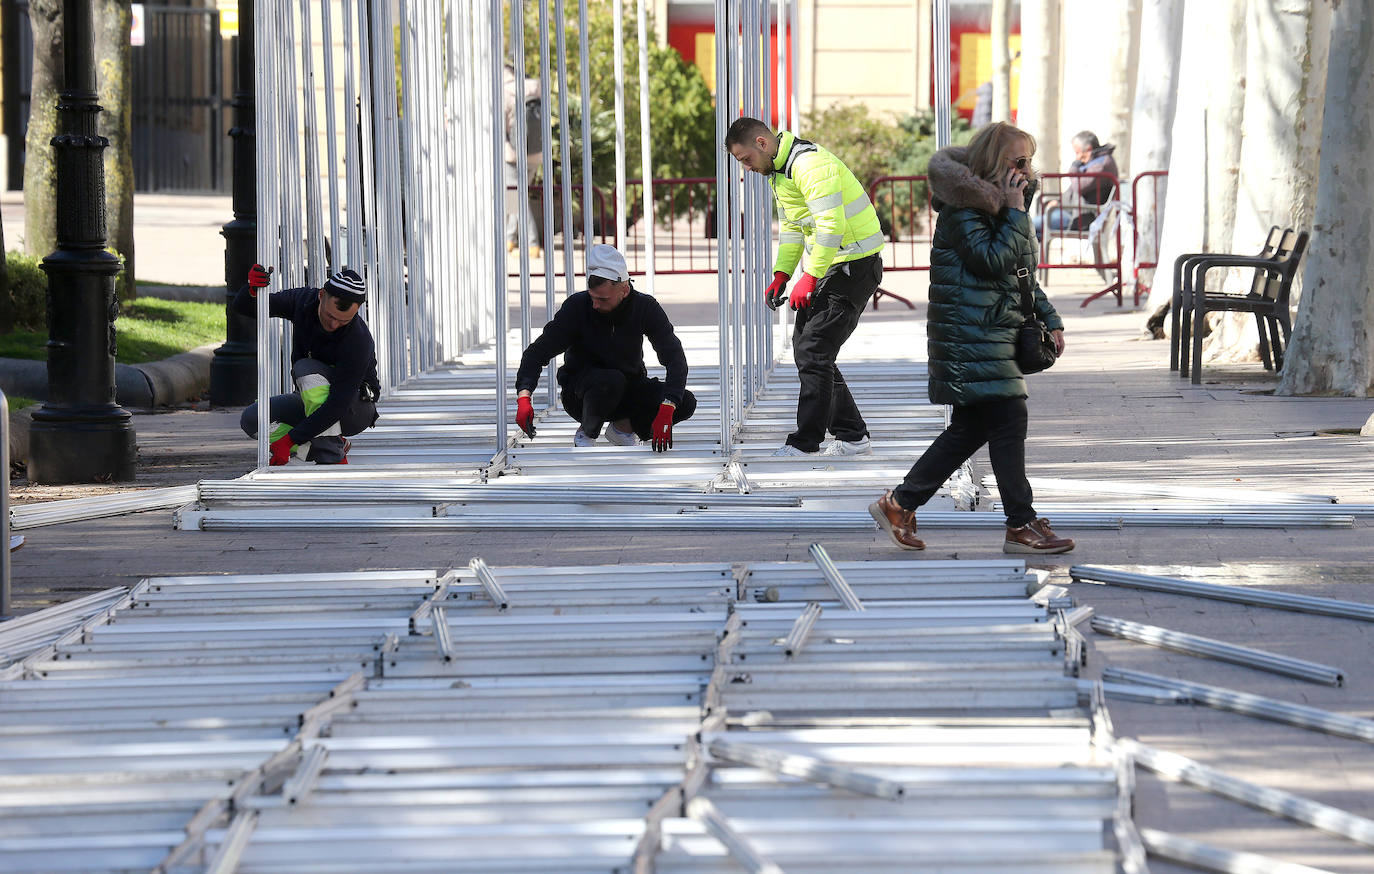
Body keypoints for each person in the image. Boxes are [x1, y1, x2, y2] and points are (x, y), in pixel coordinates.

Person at [869, 122, 1074, 555]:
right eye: (1018, 162)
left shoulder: (1003, 207)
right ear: (993, 163)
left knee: (972, 428)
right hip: (969, 336)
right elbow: (991, 261)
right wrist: (1017, 212)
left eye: (1029, 162)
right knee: (1007, 418)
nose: (1027, 171)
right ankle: (1020, 523)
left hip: (990, 330)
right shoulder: (963, 209)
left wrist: (1049, 317)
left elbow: (1021, 276)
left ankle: (900, 503)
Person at [724, 116, 885, 457]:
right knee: (809, 349)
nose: (747, 168)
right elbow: (794, 229)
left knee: (814, 351)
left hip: (854, 266)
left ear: (762, 144)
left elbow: (831, 225)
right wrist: (782, 274)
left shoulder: (809, 164)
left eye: (745, 160)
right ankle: (853, 436)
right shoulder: (781, 174)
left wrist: (809, 277)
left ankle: (807, 441)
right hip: (835, 266)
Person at [513, 243, 696, 451]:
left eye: (602, 299)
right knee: (610, 381)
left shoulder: (645, 307)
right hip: (583, 395)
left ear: (624, 290)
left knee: (684, 400)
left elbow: (675, 357)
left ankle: (622, 429)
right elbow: (537, 353)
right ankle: (586, 433)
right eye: (592, 297)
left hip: (627, 388)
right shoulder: (577, 307)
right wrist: (524, 396)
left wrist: (668, 405)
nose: (595, 305)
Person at [234, 264, 380, 465]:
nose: (334, 325)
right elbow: (247, 307)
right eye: (330, 316)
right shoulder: (302, 301)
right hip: (311, 401)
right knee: (253, 418)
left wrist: (290, 439)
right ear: (321, 295)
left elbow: (337, 404)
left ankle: (331, 454)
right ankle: (323, 446)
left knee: (305, 367)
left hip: (353, 409)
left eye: (343, 321)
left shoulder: (359, 340)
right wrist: (252, 290)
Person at [1032, 130, 1119, 239]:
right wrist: (1059, 201)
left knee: (1028, 226)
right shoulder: (1091, 163)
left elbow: (1079, 187)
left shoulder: (1102, 164)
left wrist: (1073, 169)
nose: (1077, 158)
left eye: (1077, 153)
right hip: (1072, 211)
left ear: (1088, 150)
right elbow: (1073, 189)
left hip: (1080, 217)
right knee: (1034, 234)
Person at [503, 64, 543, 257]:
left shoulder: (505, 92)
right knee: (515, 197)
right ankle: (510, 239)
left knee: (517, 199)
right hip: (535, 153)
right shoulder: (536, 89)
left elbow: (500, 124)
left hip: (513, 153)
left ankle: (532, 243)